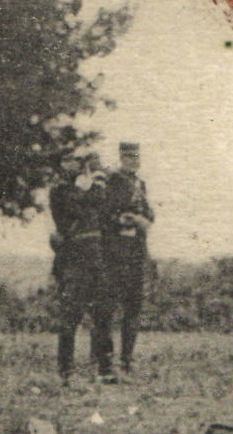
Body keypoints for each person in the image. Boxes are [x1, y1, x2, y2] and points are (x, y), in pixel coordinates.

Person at [48, 154, 111, 382]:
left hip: (93, 259)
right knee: (71, 317)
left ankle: (103, 368)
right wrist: (99, 179)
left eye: (77, 161)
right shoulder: (61, 190)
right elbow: (92, 201)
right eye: (69, 160)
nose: (75, 165)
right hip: (74, 262)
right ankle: (65, 370)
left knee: (101, 314)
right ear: (61, 165)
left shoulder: (78, 189)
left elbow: (100, 203)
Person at [99, 141, 153, 382]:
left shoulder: (140, 184)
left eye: (136, 157)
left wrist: (139, 219)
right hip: (115, 251)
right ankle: (105, 361)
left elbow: (150, 214)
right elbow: (104, 212)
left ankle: (127, 360)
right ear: (121, 157)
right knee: (108, 307)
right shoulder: (113, 181)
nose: (133, 160)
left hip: (136, 251)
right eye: (129, 156)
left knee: (134, 307)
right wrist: (121, 219)